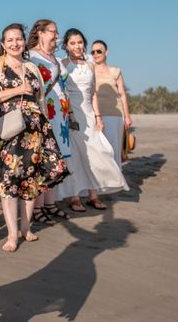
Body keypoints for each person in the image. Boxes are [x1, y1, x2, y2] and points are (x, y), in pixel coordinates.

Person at [0, 23, 68, 252]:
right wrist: (17, 90)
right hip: (7, 132)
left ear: (23, 42)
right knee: (9, 183)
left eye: (18, 39)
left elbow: (39, 98)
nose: (15, 43)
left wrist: (44, 125)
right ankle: (11, 235)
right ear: (2, 44)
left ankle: (26, 228)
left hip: (35, 131)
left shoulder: (32, 66)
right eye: (9, 40)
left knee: (31, 181)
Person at [56, 28, 129, 211]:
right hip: (71, 114)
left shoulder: (90, 66)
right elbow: (61, 92)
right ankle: (74, 197)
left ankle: (93, 194)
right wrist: (67, 113)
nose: (77, 46)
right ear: (66, 46)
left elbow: (93, 93)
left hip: (89, 114)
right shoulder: (62, 64)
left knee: (98, 151)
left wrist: (98, 117)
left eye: (80, 42)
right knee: (75, 155)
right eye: (72, 43)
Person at [27, 19, 72, 225]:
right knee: (43, 161)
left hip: (60, 116)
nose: (56, 35)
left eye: (56, 32)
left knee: (57, 160)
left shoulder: (55, 57)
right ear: (40, 33)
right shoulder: (31, 56)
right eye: (53, 31)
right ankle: (37, 207)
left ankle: (50, 204)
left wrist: (69, 112)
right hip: (44, 113)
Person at [91, 39, 132, 167]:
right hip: (94, 115)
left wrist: (127, 116)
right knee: (97, 151)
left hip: (114, 115)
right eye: (92, 52)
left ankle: (115, 182)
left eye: (99, 51)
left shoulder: (115, 71)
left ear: (106, 52)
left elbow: (122, 94)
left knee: (113, 149)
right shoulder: (89, 69)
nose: (95, 54)